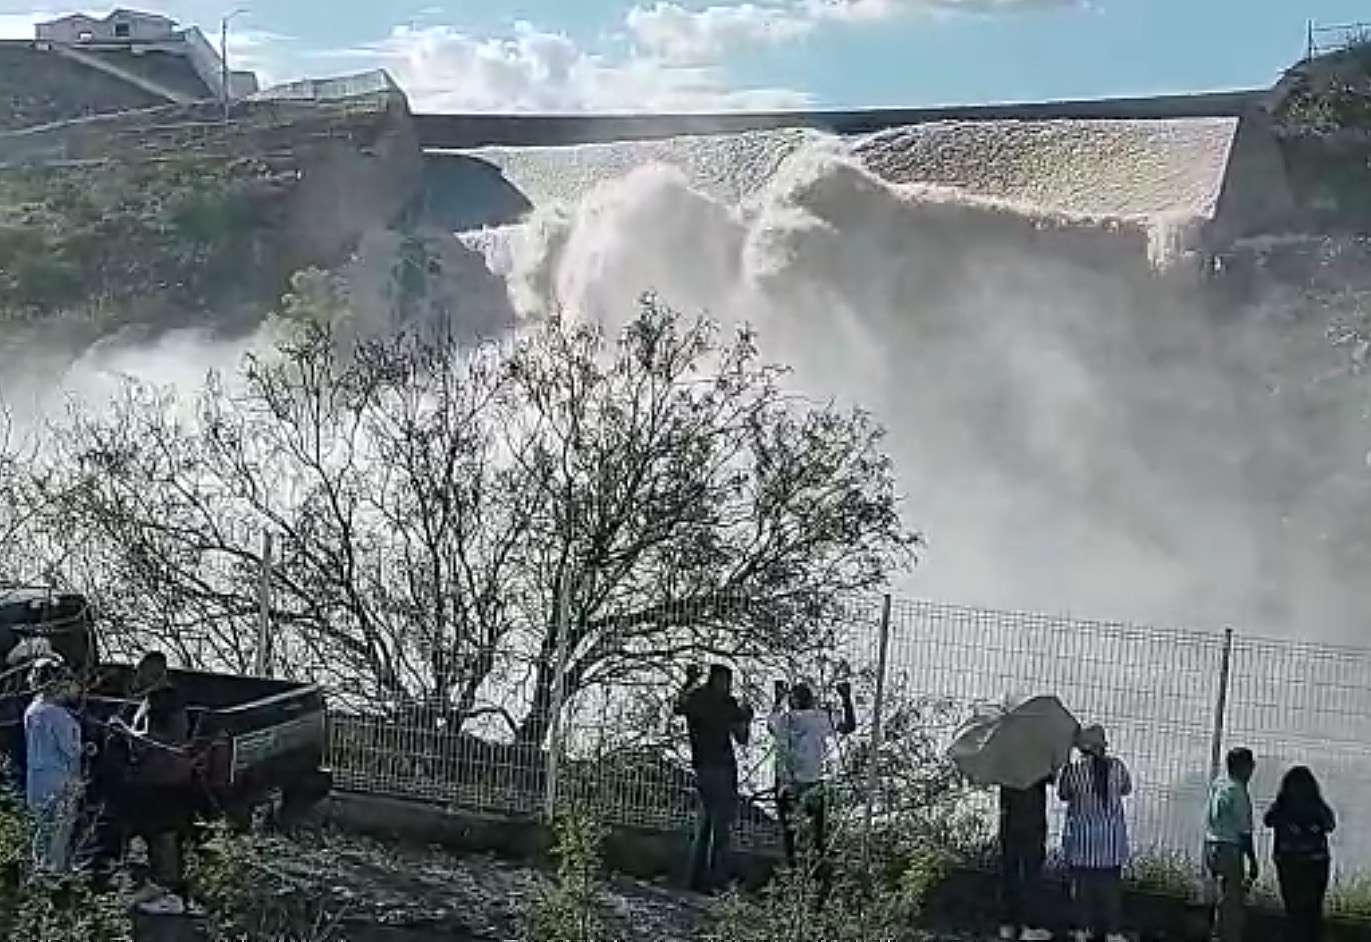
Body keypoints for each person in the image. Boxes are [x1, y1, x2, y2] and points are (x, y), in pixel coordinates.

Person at [767, 678, 856, 906]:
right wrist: (846, 698)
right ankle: (814, 888)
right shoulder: (820, 718)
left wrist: (777, 700)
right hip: (813, 783)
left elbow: (770, 725)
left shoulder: (784, 720)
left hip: (787, 783)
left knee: (789, 835)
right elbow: (849, 726)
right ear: (812, 699)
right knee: (816, 837)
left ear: (792, 701)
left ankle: (794, 884)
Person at [674, 663, 752, 893]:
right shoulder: (720, 703)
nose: (728, 687)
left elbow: (678, 706)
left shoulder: (701, 699)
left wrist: (687, 682)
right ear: (717, 680)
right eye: (726, 681)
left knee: (707, 824)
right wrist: (746, 718)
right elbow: (742, 737)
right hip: (720, 768)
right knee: (719, 827)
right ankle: (712, 879)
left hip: (708, 767)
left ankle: (699, 879)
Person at [1058, 724, 1132, 942]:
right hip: (1111, 841)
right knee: (1111, 890)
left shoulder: (1072, 770)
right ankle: (1114, 932)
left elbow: (1063, 795)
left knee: (1082, 889)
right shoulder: (1117, 767)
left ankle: (1082, 930)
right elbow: (1127, 788)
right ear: (1102, 747)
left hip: (1082, 841)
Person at [23, 657, 84, 872]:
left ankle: (37, 876)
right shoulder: (59, 716)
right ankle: (54, 881)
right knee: (60, 836)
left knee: (41, 834)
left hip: (36, 780)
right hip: (60, 780)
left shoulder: (32, 711)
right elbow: (71, 751)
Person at [1264, 766, 1335, 942]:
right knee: (1313, 910)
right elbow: (1330, 825)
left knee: (1293, 909)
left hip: (1289, 863)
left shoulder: (1282, 806)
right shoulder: (1317, 805)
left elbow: (1268, 820)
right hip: (1316, 863)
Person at [1206, 747, 1259, 942]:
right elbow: (1244, 833)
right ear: (1243, 768)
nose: (1253, 770)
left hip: (1212, 845)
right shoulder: (1238, 792)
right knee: (1232, 902)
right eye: (1250, 765)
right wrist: (1252, 861)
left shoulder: (1219, 783)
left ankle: (1216, 934)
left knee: (1222, 897)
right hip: (1230, 849)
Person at [998, 775, 1055, 942]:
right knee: (1032, 875)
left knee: (1009, 872)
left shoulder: (1005, 759)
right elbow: (1052, 779)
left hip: (1008, 821)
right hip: (1032, 822)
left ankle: (1008, 924)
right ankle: (1029, 927)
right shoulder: (1037, 759)